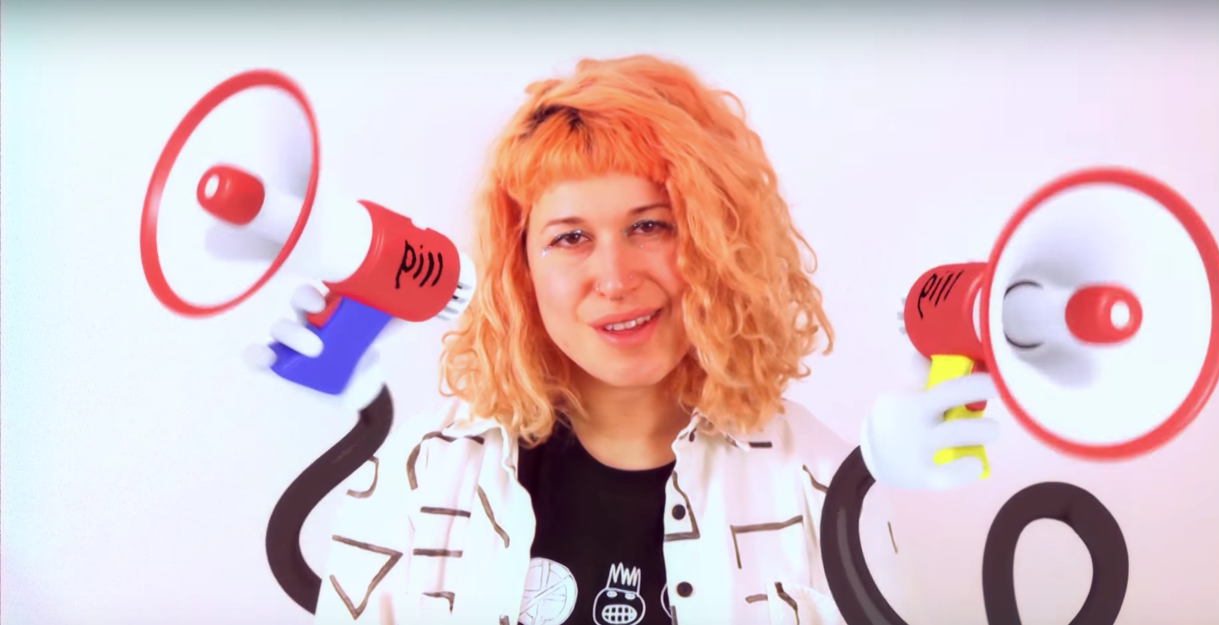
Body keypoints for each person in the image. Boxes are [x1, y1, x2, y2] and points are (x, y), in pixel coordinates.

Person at [253, 54, 999, 625]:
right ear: (520, 269)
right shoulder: (422, 473)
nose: (614, 278)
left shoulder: (821, 483)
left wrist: (868, 486)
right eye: (569, 237)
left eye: (650, 226)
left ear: (718, 243)